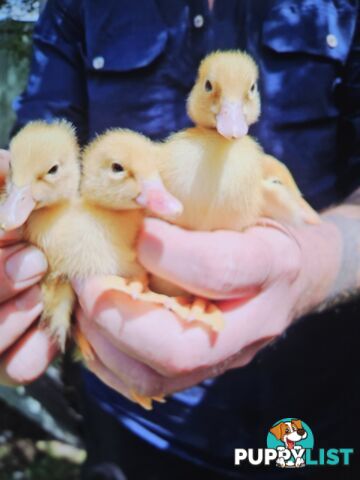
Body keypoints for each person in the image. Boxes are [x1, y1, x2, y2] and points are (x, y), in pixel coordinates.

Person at [0, 0, 359, 478]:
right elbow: (43, 147)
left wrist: (316, 260)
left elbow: (298, 213)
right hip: (130, 412)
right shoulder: (75, 8)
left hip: (309, 412)